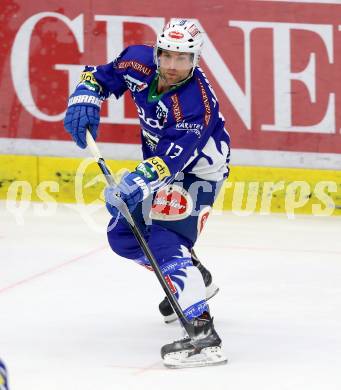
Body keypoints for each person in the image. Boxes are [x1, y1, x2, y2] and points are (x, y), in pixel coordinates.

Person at [64, 18, 230, 368]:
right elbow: (100, 75)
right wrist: (85, 98)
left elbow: (171, 162)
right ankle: (190, 275)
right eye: (167, 55)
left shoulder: (196, 104)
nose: (172, 66)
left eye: (182, 59)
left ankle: (203, 334)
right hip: (158, 166)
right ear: (157, 52)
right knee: (123, 235)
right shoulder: (139, 62)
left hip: (195, 174)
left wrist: (133, 184)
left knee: (164, 240)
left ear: (196, 60)